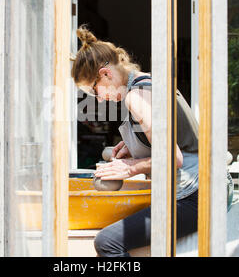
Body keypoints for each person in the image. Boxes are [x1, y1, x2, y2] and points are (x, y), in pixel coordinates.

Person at [71, 25, 199, 257]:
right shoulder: (147, 83)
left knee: (107, 242)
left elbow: (174, 158)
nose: (99, 99)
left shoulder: (136, 97)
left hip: (196, 195)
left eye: (95, 91)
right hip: (201, 188)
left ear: (106, 74)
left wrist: (130, 168)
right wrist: (134, 148)